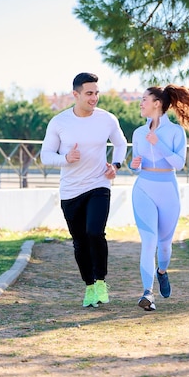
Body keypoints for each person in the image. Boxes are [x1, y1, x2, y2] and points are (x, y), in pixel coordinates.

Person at [41, 72, 128, 308]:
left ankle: (101, 281)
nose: (94, 98)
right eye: (89, 93)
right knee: (79, 241)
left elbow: (121, 144)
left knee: (95, 232)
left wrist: (116, 165)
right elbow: (45, 155)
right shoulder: (59, 122)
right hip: (70, 191)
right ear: (76, 94)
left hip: (98, 184)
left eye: (97, 93)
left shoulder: (107, 119)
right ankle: (89, 286)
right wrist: (66, 158)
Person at [129, 84, 189, 311]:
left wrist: (158, 144)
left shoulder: (175, 132)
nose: (141, 103)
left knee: (163, 245)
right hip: (143, 187)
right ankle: (147, 293)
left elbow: (179, 164)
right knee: (149, 242)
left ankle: (161, 272)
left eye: (144, 99)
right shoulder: (138, 133)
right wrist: (134, 165)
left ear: (157, 103)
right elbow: (136, 163)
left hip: (167, 189)